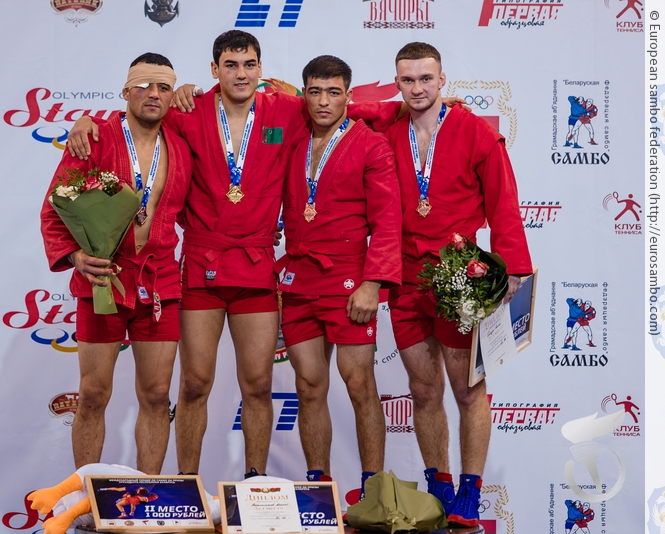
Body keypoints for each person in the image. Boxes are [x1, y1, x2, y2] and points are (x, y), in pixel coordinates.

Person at [68, 31, 414, 479]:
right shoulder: (187, 110)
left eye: (249, 64)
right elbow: (137, 114)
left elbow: (338, 107)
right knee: (194, 383)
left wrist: (414, 105)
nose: (241, 73)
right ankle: (187, 483)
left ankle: (254, 483)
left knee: (259, 384)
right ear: (215, 69)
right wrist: (86, 122)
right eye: (230, 65)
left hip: (255, 267)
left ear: (260, 68)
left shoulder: (287, 110)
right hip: (201, 265)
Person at [385, 42, 532, 527]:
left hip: (458, 278)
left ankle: (470, 491)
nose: (417, 89)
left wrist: (513, 268)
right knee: (422, 390)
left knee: (469, 391)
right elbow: (342, 108)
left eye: (426, 79)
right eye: (408, 80)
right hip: (405, 278)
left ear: (443, 79)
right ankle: (439, 486)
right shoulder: (387, 128)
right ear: (397, 82)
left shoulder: (475, 132)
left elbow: (504, 202)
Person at [41, 53, 192, 474]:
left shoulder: (182, 146)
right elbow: (54, 209)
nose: (154, 94)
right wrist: (77, 257)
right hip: (103, 280)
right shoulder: (95, 138)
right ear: (125, 91)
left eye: (164, 87)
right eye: (144, 85)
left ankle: (149, 493)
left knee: (157, 394)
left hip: (160, 280)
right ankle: (86, 494)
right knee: (92, 393)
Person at [277, 56, 401, 493]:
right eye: (315, 92)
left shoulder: (371, 145)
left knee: (359, 383)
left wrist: (372, 283)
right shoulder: (292, 136)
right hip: (298, 278)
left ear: (348, 95)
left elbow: (387, 222)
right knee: (308, 385)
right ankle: (318, 489)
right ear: (304, 95)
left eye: (333, 92)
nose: (323, 102)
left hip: (349, 280)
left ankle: (373, 491)